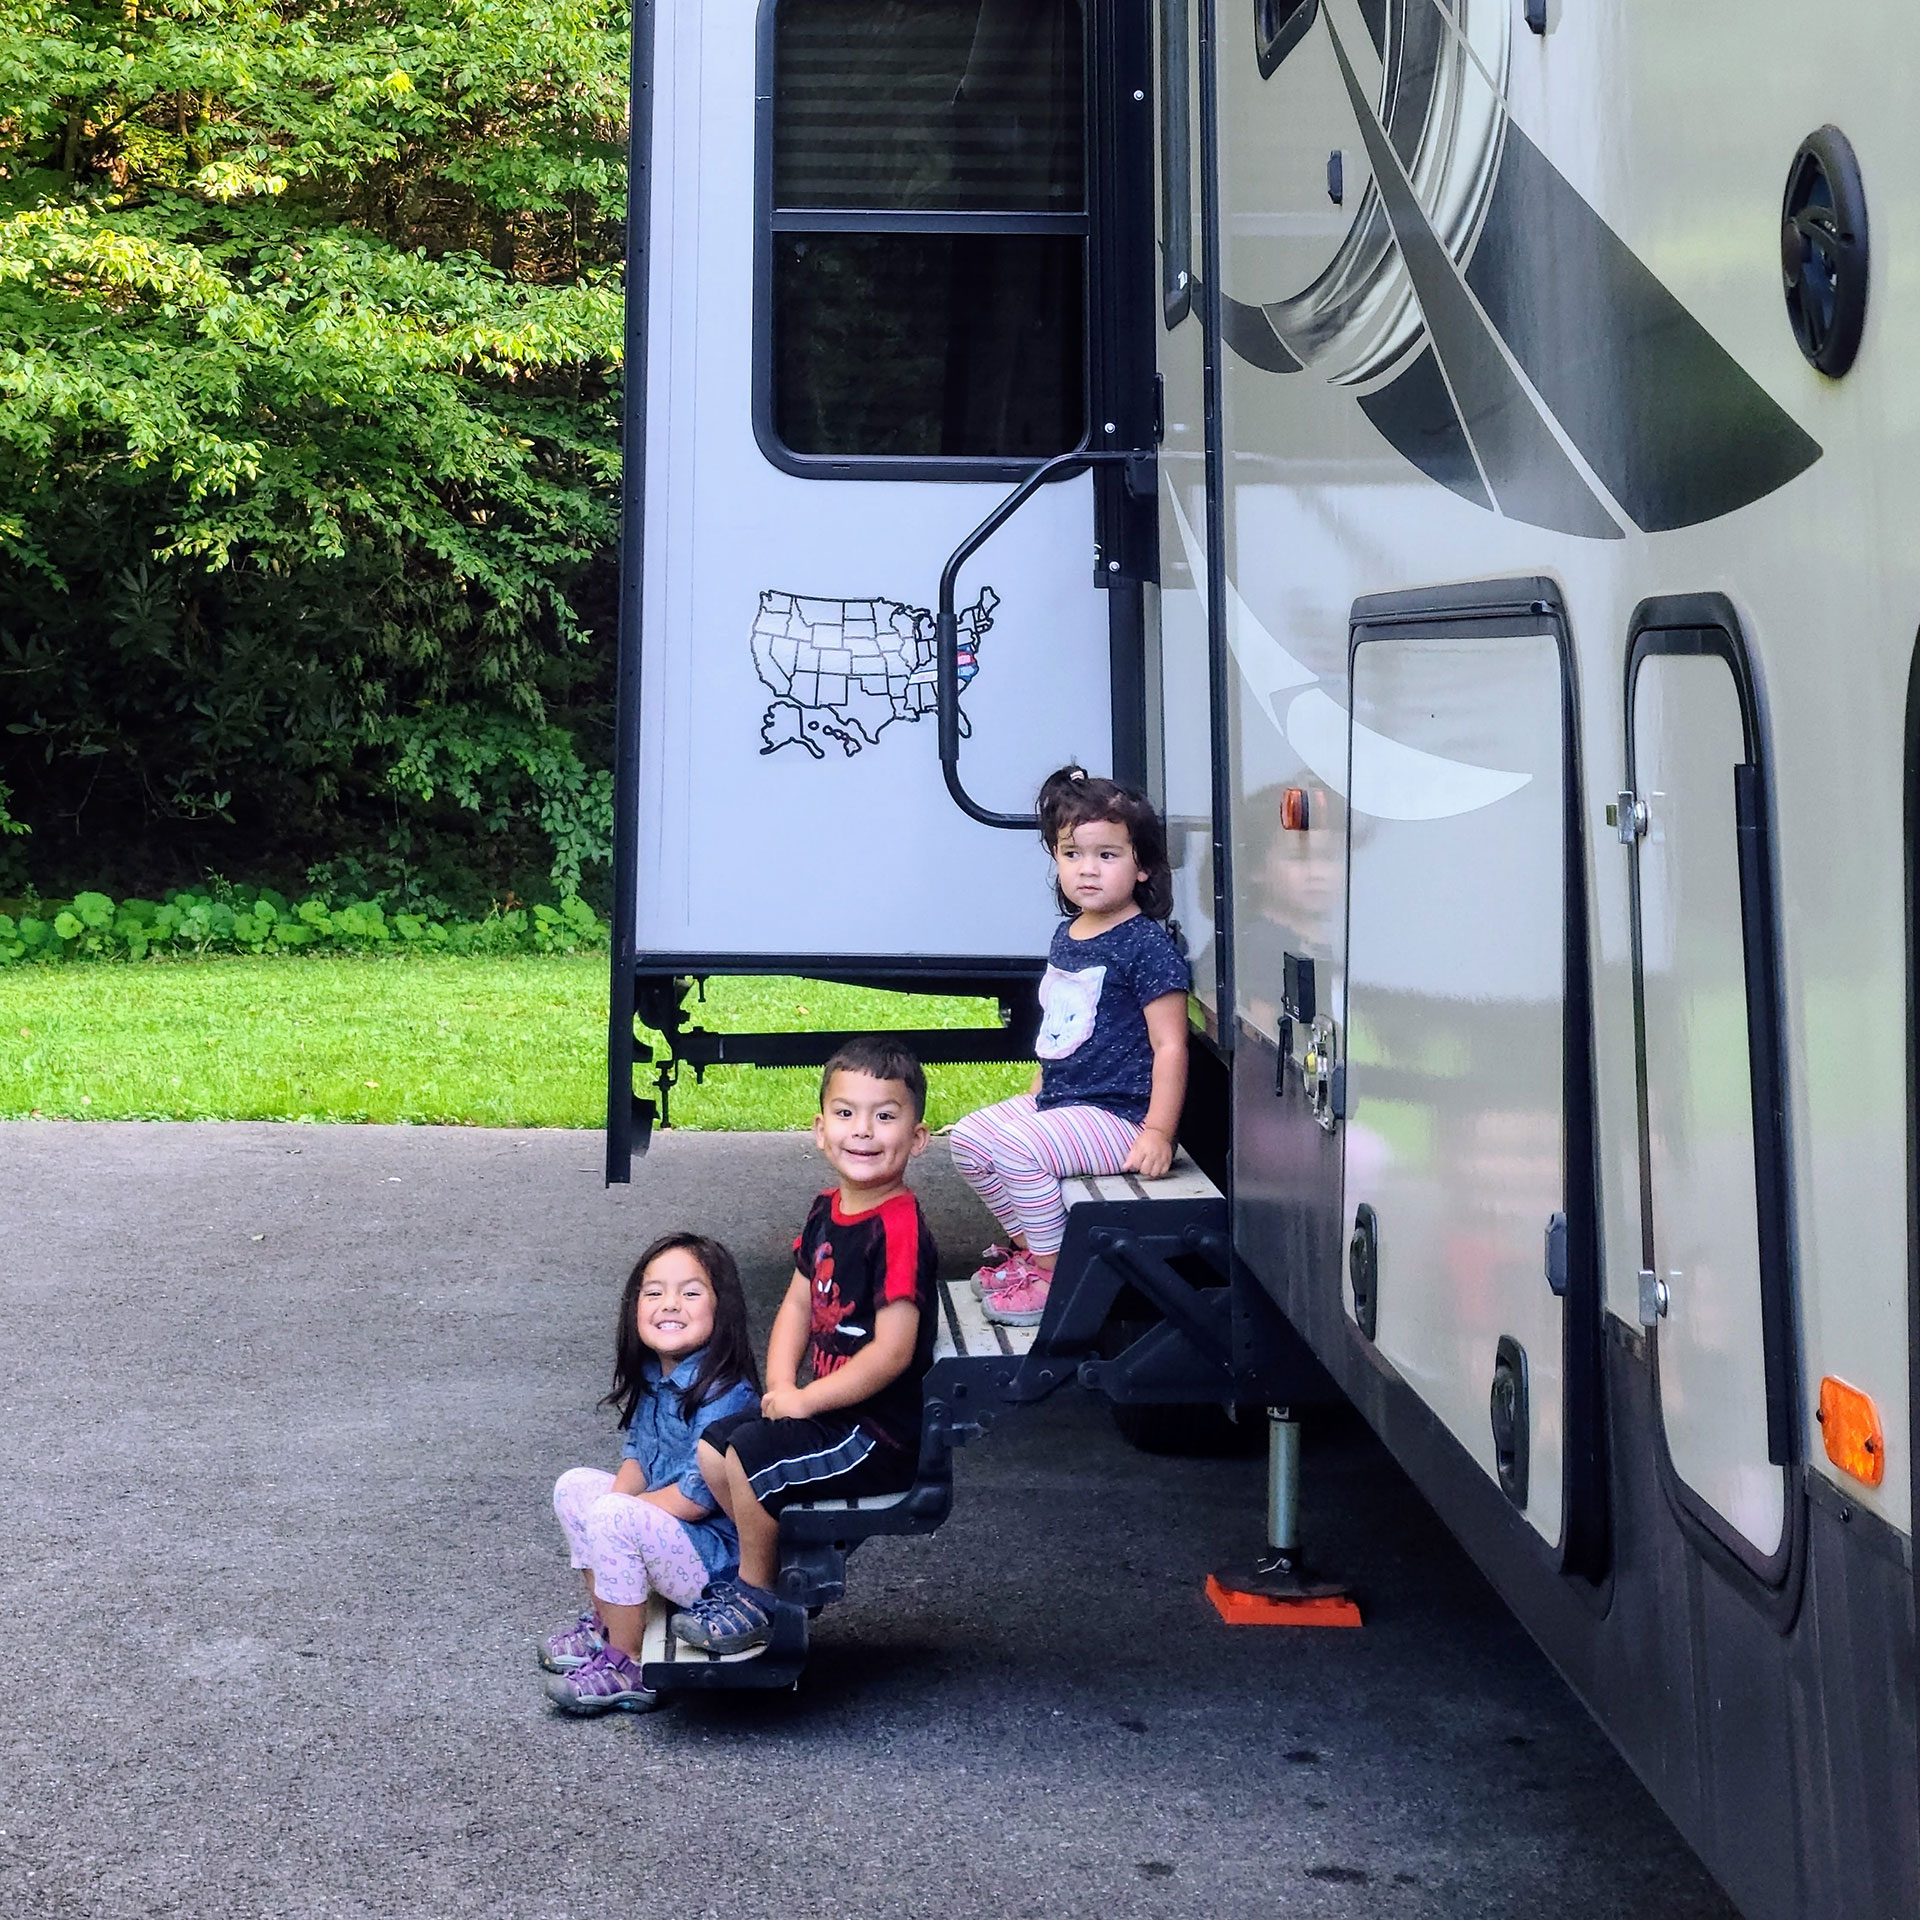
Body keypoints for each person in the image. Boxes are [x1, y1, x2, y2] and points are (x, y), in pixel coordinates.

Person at [673, 1037, 939, 1657]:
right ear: (820, 1130)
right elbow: (797, 1303)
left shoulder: (897, 1228)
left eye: (885, 1115)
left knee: (753, 1458)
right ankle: (760, 1560)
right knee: (716, 1448)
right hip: (826, 1411)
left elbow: (893, 1353)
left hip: (874, 1433)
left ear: (918, 1137)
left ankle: (757, 1598)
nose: (864, 1131)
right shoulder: (828, 1210)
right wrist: (780, 1387)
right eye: (846, 1114)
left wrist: (809, 1401)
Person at [948, 764, 1191, 1327]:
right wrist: (1042, 1077)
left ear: (1144, 866)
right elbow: (1066, 1018)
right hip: (1066, 1096)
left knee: (1018, 1150)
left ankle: (1060, 1275)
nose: (1087, 870)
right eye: (1071, 854)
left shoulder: (1145, 946)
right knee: (970, 1140)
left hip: (1121, 1115)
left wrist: (1157, 1131)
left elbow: (1170, 1045)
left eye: (1107, 855)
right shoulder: (1071, 933)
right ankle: (1033, 1251)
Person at [541, 1231, 762, 1714]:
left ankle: (629, 1664)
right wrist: (608, 1511)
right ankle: (608, 1623)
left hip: (714, 1568)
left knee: (612, 1516)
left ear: (722, 1308)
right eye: (654, 1291)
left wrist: (613, 1518)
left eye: (691, 1292)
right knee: (575, 1487)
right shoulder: (653, 1374)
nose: (670, 1304)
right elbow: (638, 1456)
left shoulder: (726, 1390)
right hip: (668, 1538)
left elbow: (695, 1499)